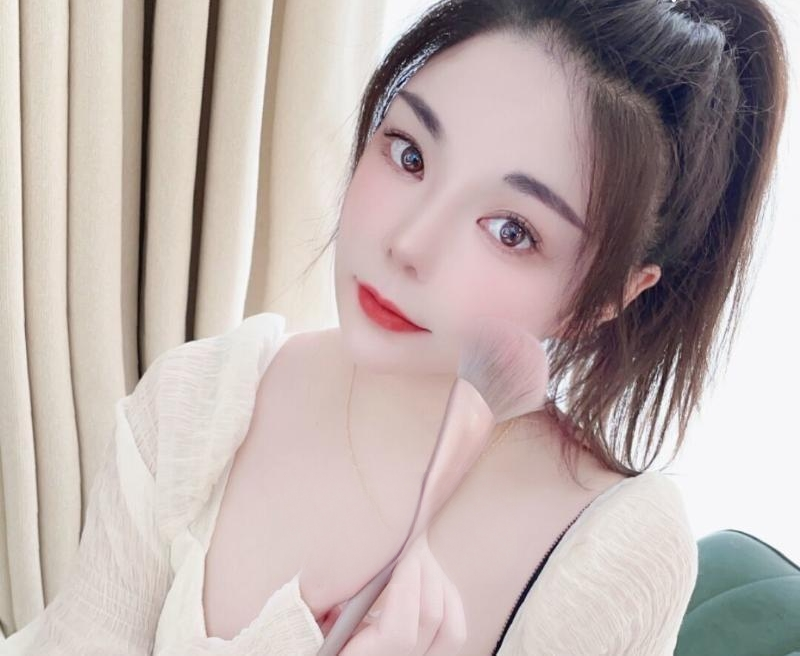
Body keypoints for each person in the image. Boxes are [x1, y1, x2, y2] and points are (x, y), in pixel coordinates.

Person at [1, 0, 788, 654]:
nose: (408, 244)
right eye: (410, 155)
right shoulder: (200, 405)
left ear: (605, 299)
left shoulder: (608, 552)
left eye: (510, 230)